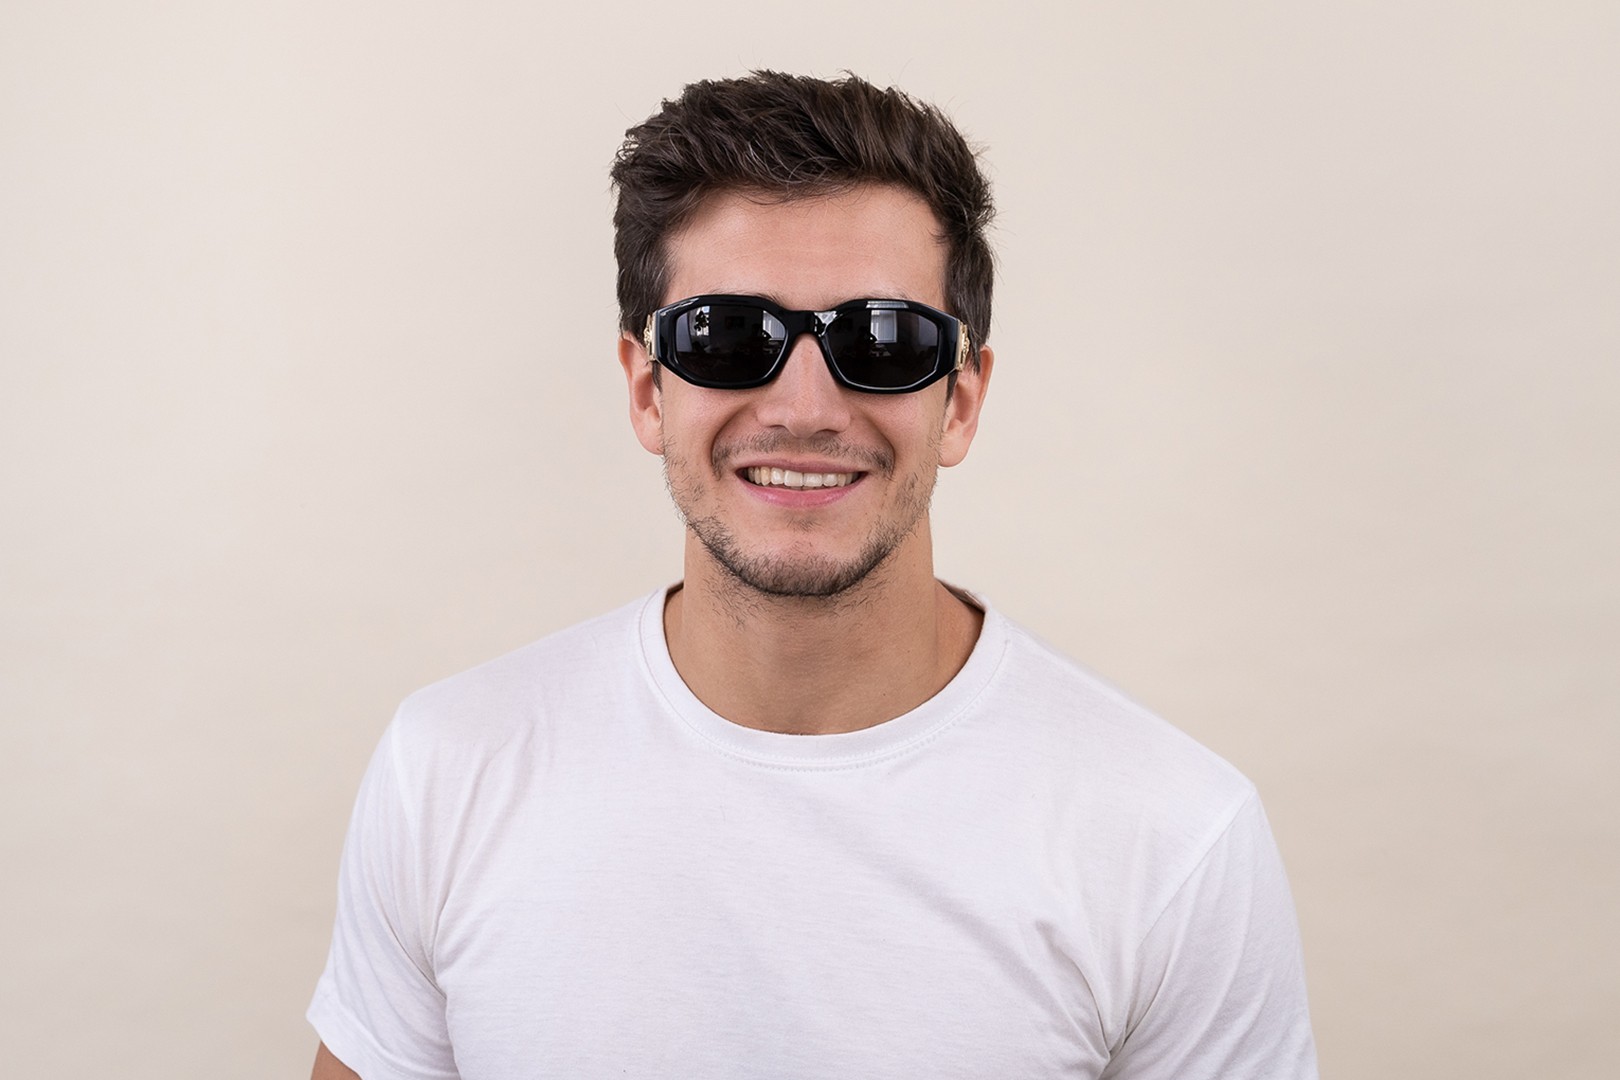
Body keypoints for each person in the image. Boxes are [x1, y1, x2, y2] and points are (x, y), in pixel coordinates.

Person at [307, 71, 1317, 1079]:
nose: (805, 407)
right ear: (648, 389)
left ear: (961, 402)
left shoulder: (1173, 838)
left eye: (883, 340)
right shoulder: (448, 771)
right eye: (726, 335)